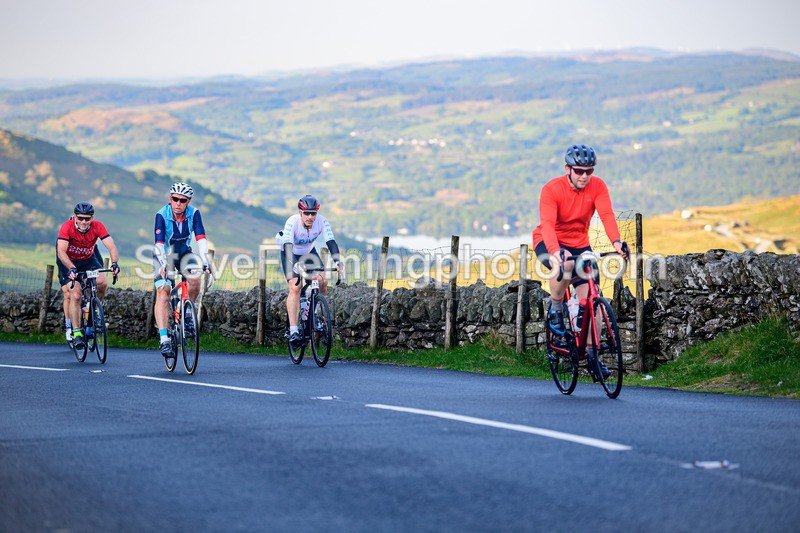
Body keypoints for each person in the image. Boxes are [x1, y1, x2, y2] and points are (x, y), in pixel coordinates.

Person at [532, 144, 628, 344]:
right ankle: (556, 309)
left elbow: (607, 215)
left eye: (589, 171)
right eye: (579, 171)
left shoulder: (598, 186)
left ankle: (593, 354)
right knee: (565, 264)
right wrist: (555, 251)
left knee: (594, 301)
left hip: (580, 244)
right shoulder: (551, 189)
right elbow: (548, 225)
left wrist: (617, 242)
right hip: (549, 241)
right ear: (568, 169)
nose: (584, 176)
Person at [152, 182, 213, 357]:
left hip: (184, 253)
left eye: (182, 200)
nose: (178, 203)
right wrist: (163, 264)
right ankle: (164, 340)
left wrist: (206, 260)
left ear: (188, 202)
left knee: (195, 278)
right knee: (163, 291)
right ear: (170, 199)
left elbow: (200, 238)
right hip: (164, 255)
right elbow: (159, 243)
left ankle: (187, 311)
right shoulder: (161, 215)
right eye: (175, 199)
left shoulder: (194, 214)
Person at [277, 194, 344, 348]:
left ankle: (313, 314)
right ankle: (293, 330)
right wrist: (294, 265)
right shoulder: (292, 222)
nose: (310, 216)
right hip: (290, 252)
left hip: (308, 253)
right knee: (295, 287)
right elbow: (287, 246)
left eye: (313, 213)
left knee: (322, 281)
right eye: (306, 213)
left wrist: (338, 261)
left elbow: (331, 242)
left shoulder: (322, 221)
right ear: (300, 212)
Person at [56, 202, 121, 350]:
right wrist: (71, 268)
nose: (84, 222)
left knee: (102, 282)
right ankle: (77, 333)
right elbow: (61, 251)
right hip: (68, 261)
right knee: (75, 295)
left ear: (92, 218)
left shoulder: (97, 226)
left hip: (87, 259)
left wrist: (115, 263)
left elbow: (111, 245)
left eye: (87, 218)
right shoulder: (67, 226)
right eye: (80, 218)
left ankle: (93, 310)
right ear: (75, 217)